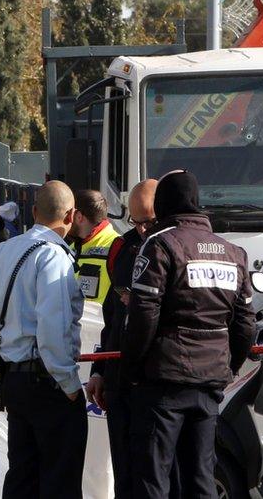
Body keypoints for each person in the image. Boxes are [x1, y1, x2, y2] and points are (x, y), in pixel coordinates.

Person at [124, 170, 256, 499]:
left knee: (153, 480)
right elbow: (245, 325)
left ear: (164, 204)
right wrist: (228, 368)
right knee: (201, 476)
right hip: (210, 383)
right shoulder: (233, 253)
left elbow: (143, 317)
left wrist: (133, 369)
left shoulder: (159, 245)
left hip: (163, 383)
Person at [0, 180, 87, 499]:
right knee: (60, 480)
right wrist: (69, 383)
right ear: (72, 215)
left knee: (22, 475)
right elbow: (52, 328)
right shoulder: (54, 257)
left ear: (33, 212)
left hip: (14, 380)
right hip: (48, 382)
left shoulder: (5, 249)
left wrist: (7, 329)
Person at [84, 179, 182, 499]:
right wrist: (99, 369)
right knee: (125, 474)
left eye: (148, 221)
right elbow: (111, 317)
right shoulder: (123, 249)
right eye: (135, 221)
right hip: (122, 381)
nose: (141, 230)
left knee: (163, 477)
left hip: (163, 382)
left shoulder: (180, 248)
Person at [71, 190, 120, 306]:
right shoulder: (72, 248)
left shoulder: (117, 247)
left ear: (78, 217)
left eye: (68, 215)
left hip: (103, 323)